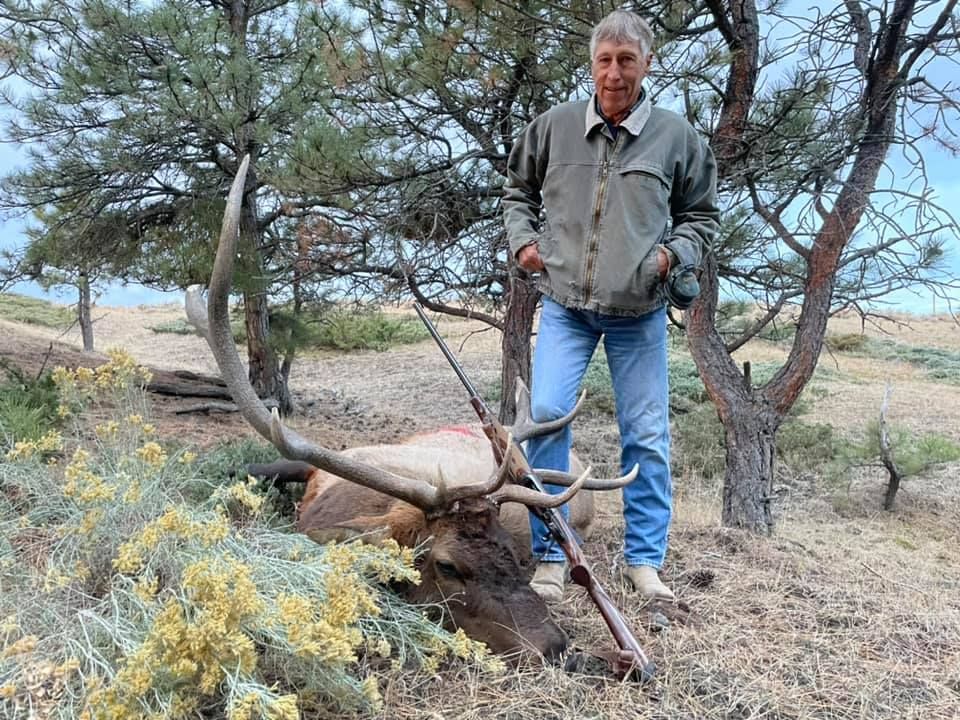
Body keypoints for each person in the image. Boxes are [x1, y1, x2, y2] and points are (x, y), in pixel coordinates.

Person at [502, 9, 719, 602]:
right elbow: (517, 190)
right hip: (565, 305)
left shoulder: (676, 137)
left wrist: (671, 255)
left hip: (639, 312)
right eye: (605, 60)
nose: (615, 74)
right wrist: (524, 243)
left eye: (627, 60)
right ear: (592, 64)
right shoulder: (554, 126)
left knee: (645, 436)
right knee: (547, 415)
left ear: (647, 63)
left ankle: (643, 562)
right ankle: (552, 557)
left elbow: (702, 215)